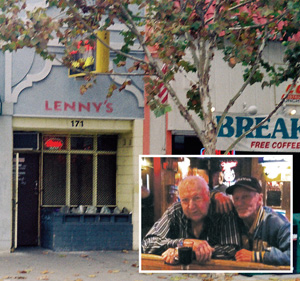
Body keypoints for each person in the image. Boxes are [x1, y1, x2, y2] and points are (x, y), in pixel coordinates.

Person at [142, 176, 240, 264]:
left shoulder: (222, 211)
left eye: (197, 198)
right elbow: (147, 244)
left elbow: (231, 251)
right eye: (185, 200)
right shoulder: (176, 211)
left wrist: (185, 252)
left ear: (208, 197)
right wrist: (183, 243)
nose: (191, 206)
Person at [226, 176, 291, 266]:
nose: (239, 203)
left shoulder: (277, 222)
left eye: (245, 197)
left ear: (260, 199)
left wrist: (256, 256)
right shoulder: (232, 220)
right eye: (236, 198)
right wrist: (215, 194)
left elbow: (292, 255)